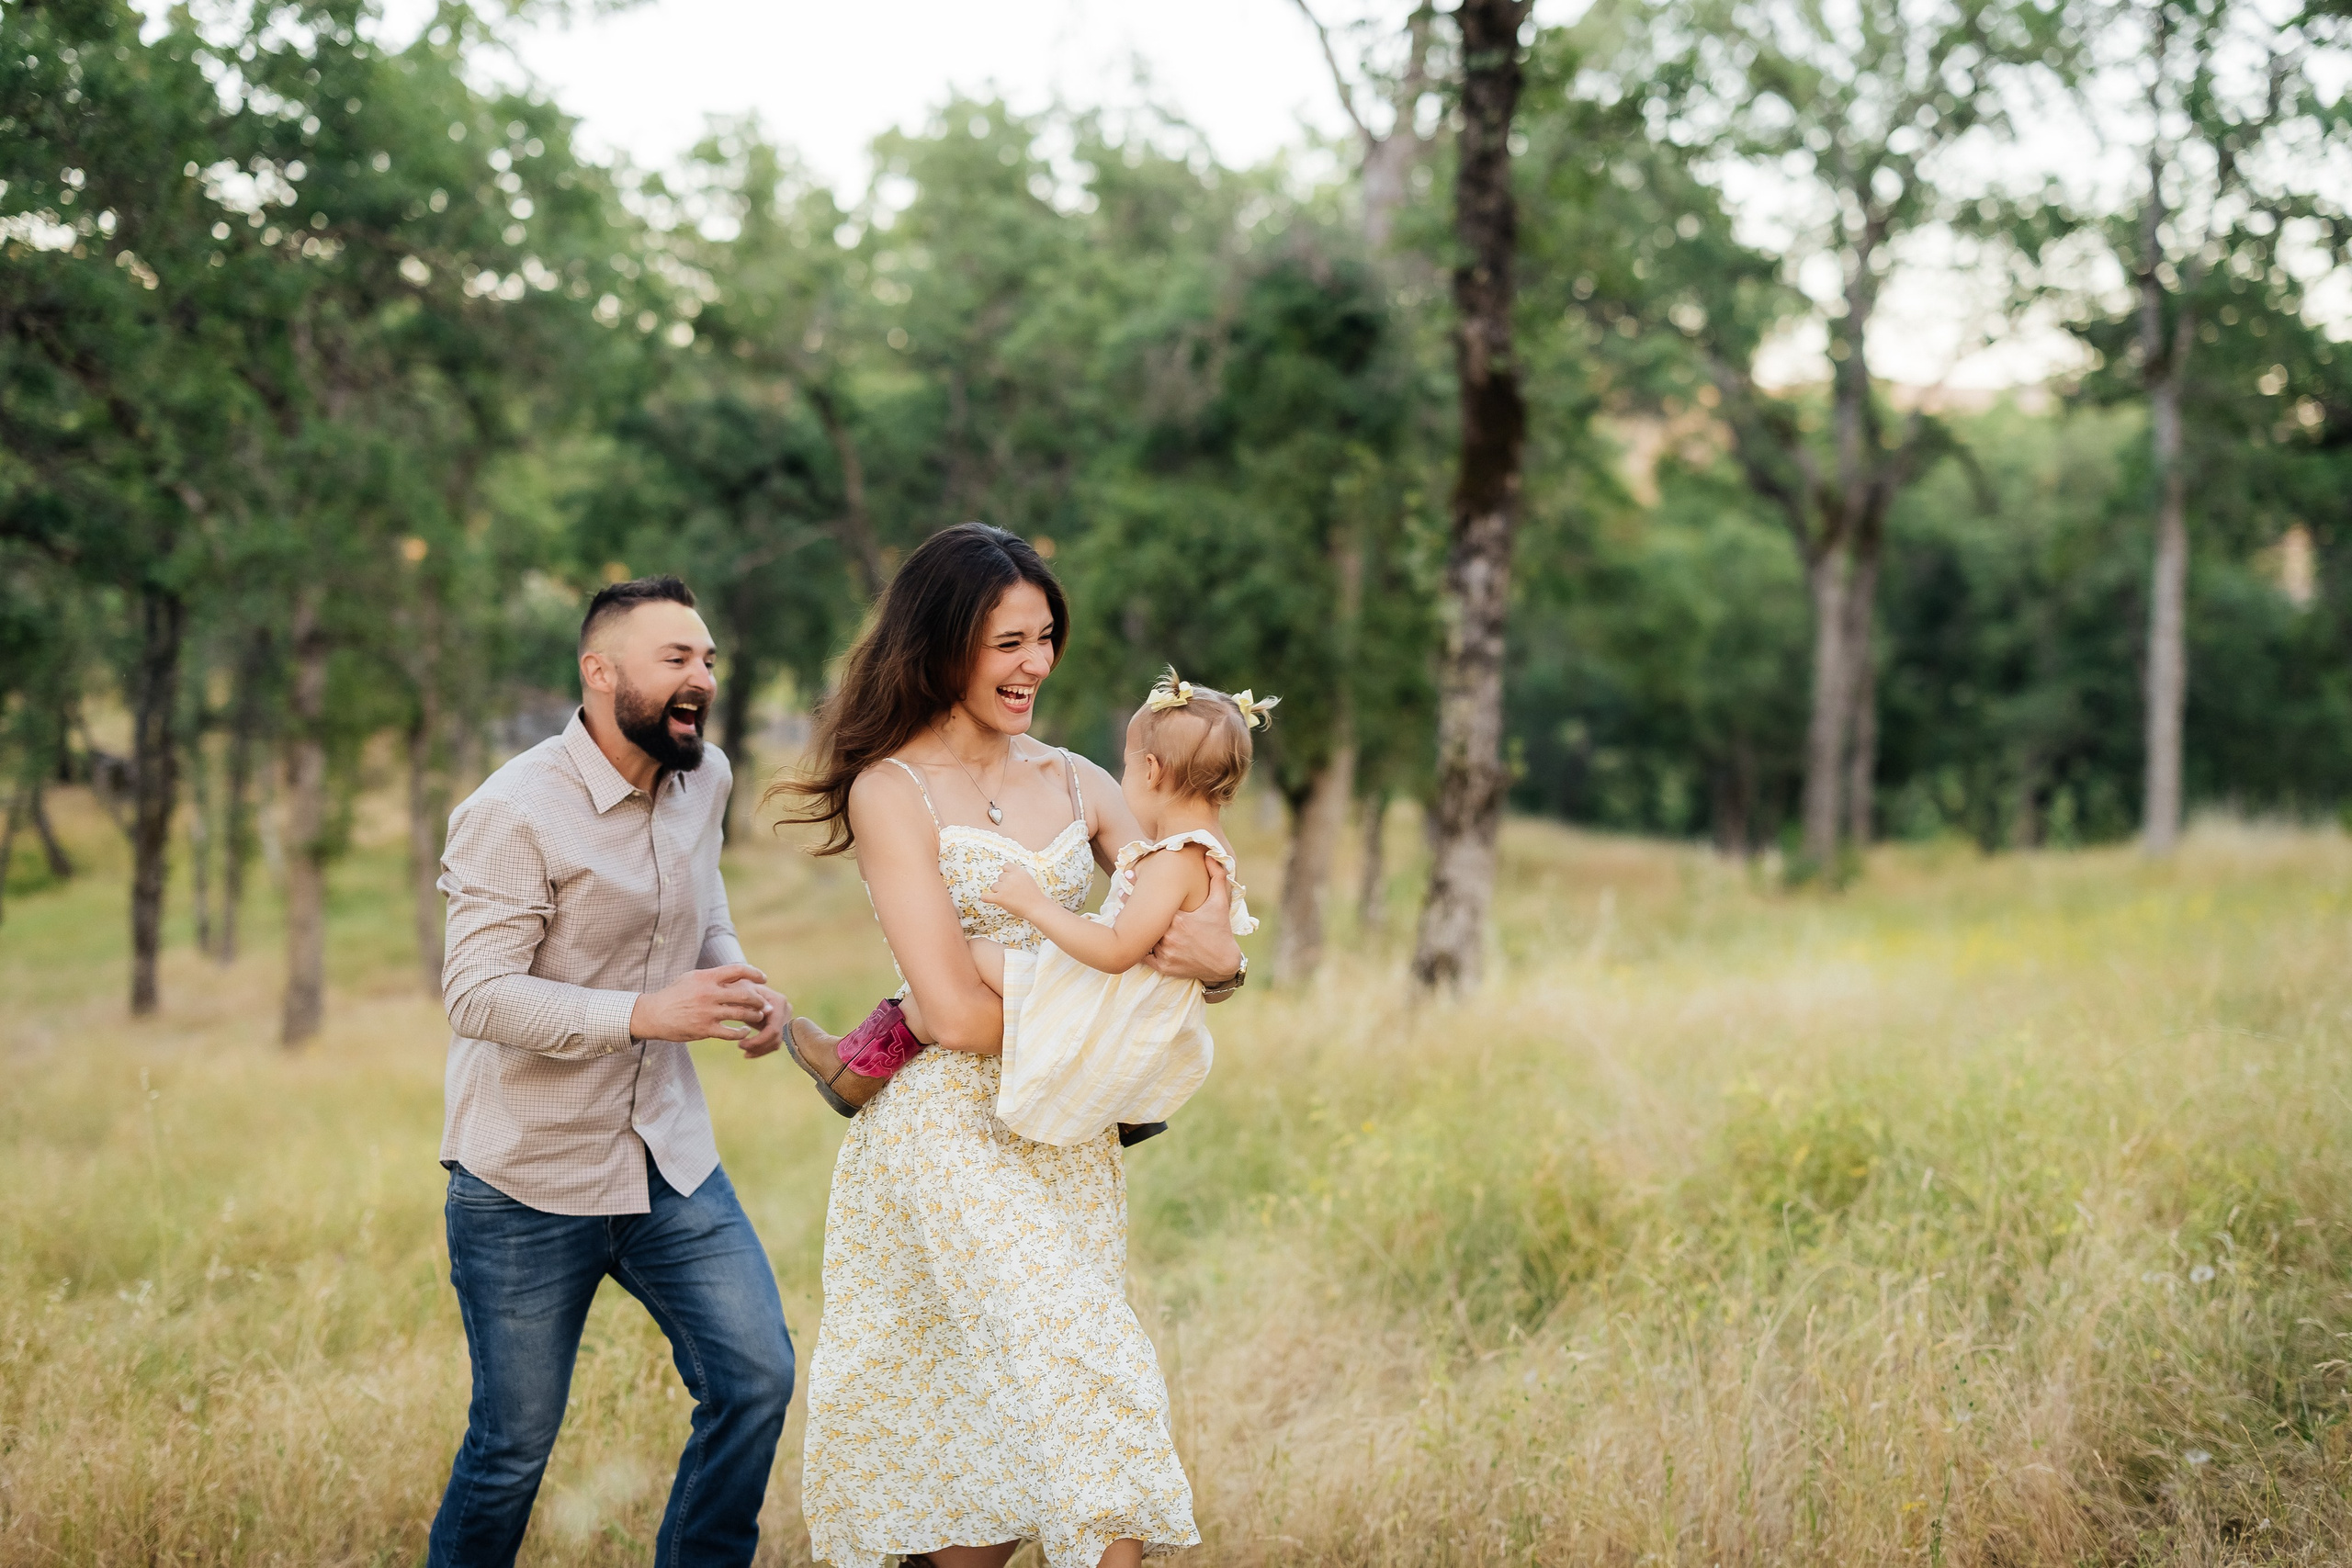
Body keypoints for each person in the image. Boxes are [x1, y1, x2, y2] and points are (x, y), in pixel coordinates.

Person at [772, 523, 1247, 1568]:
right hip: (946, 1132)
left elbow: (1182, 910)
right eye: (1005, 643)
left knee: (990, 1444)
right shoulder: (890, 790)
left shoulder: (1082, 780)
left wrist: (1220, 964)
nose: (1034, 664)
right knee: (1084, 1374)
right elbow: (945, 1015)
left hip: (1063, 1141)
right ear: (941, 644)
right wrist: (1102, 1011)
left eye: (1044, 638)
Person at [427, 575, 796, 1568]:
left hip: (666, 1160)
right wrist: (643, 1015)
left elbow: (698, 904)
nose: (702, 679)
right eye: (678, 659)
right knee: (511, 1452)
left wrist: (734, 982)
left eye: (708, 659)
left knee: (755, 1379)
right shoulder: (511, 811)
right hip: (525, 1179)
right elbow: (477, 996)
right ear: (600, 673)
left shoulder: (704, 777)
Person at [894, 666, 1272, 1147]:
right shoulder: (1213, 850)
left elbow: (1117, 951)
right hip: (1145, 1006)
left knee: (975, 956)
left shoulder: (1172, 861)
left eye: (1128, 767)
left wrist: (1034, 905)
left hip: (1111, 1003)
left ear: (1152, 771)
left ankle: (874, 1051)